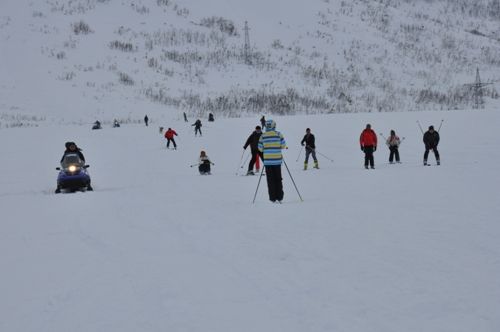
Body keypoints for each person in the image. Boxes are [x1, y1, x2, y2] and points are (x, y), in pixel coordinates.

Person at [258, 119, 287, 203]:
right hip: (277, 161)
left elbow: (260, 149)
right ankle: (280, 197)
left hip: (267, 162)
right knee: (278, 179)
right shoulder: (278, 134)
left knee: (270, 180)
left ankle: (272, 198)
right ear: (274, 126)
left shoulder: (262, 136)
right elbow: (283, 145)